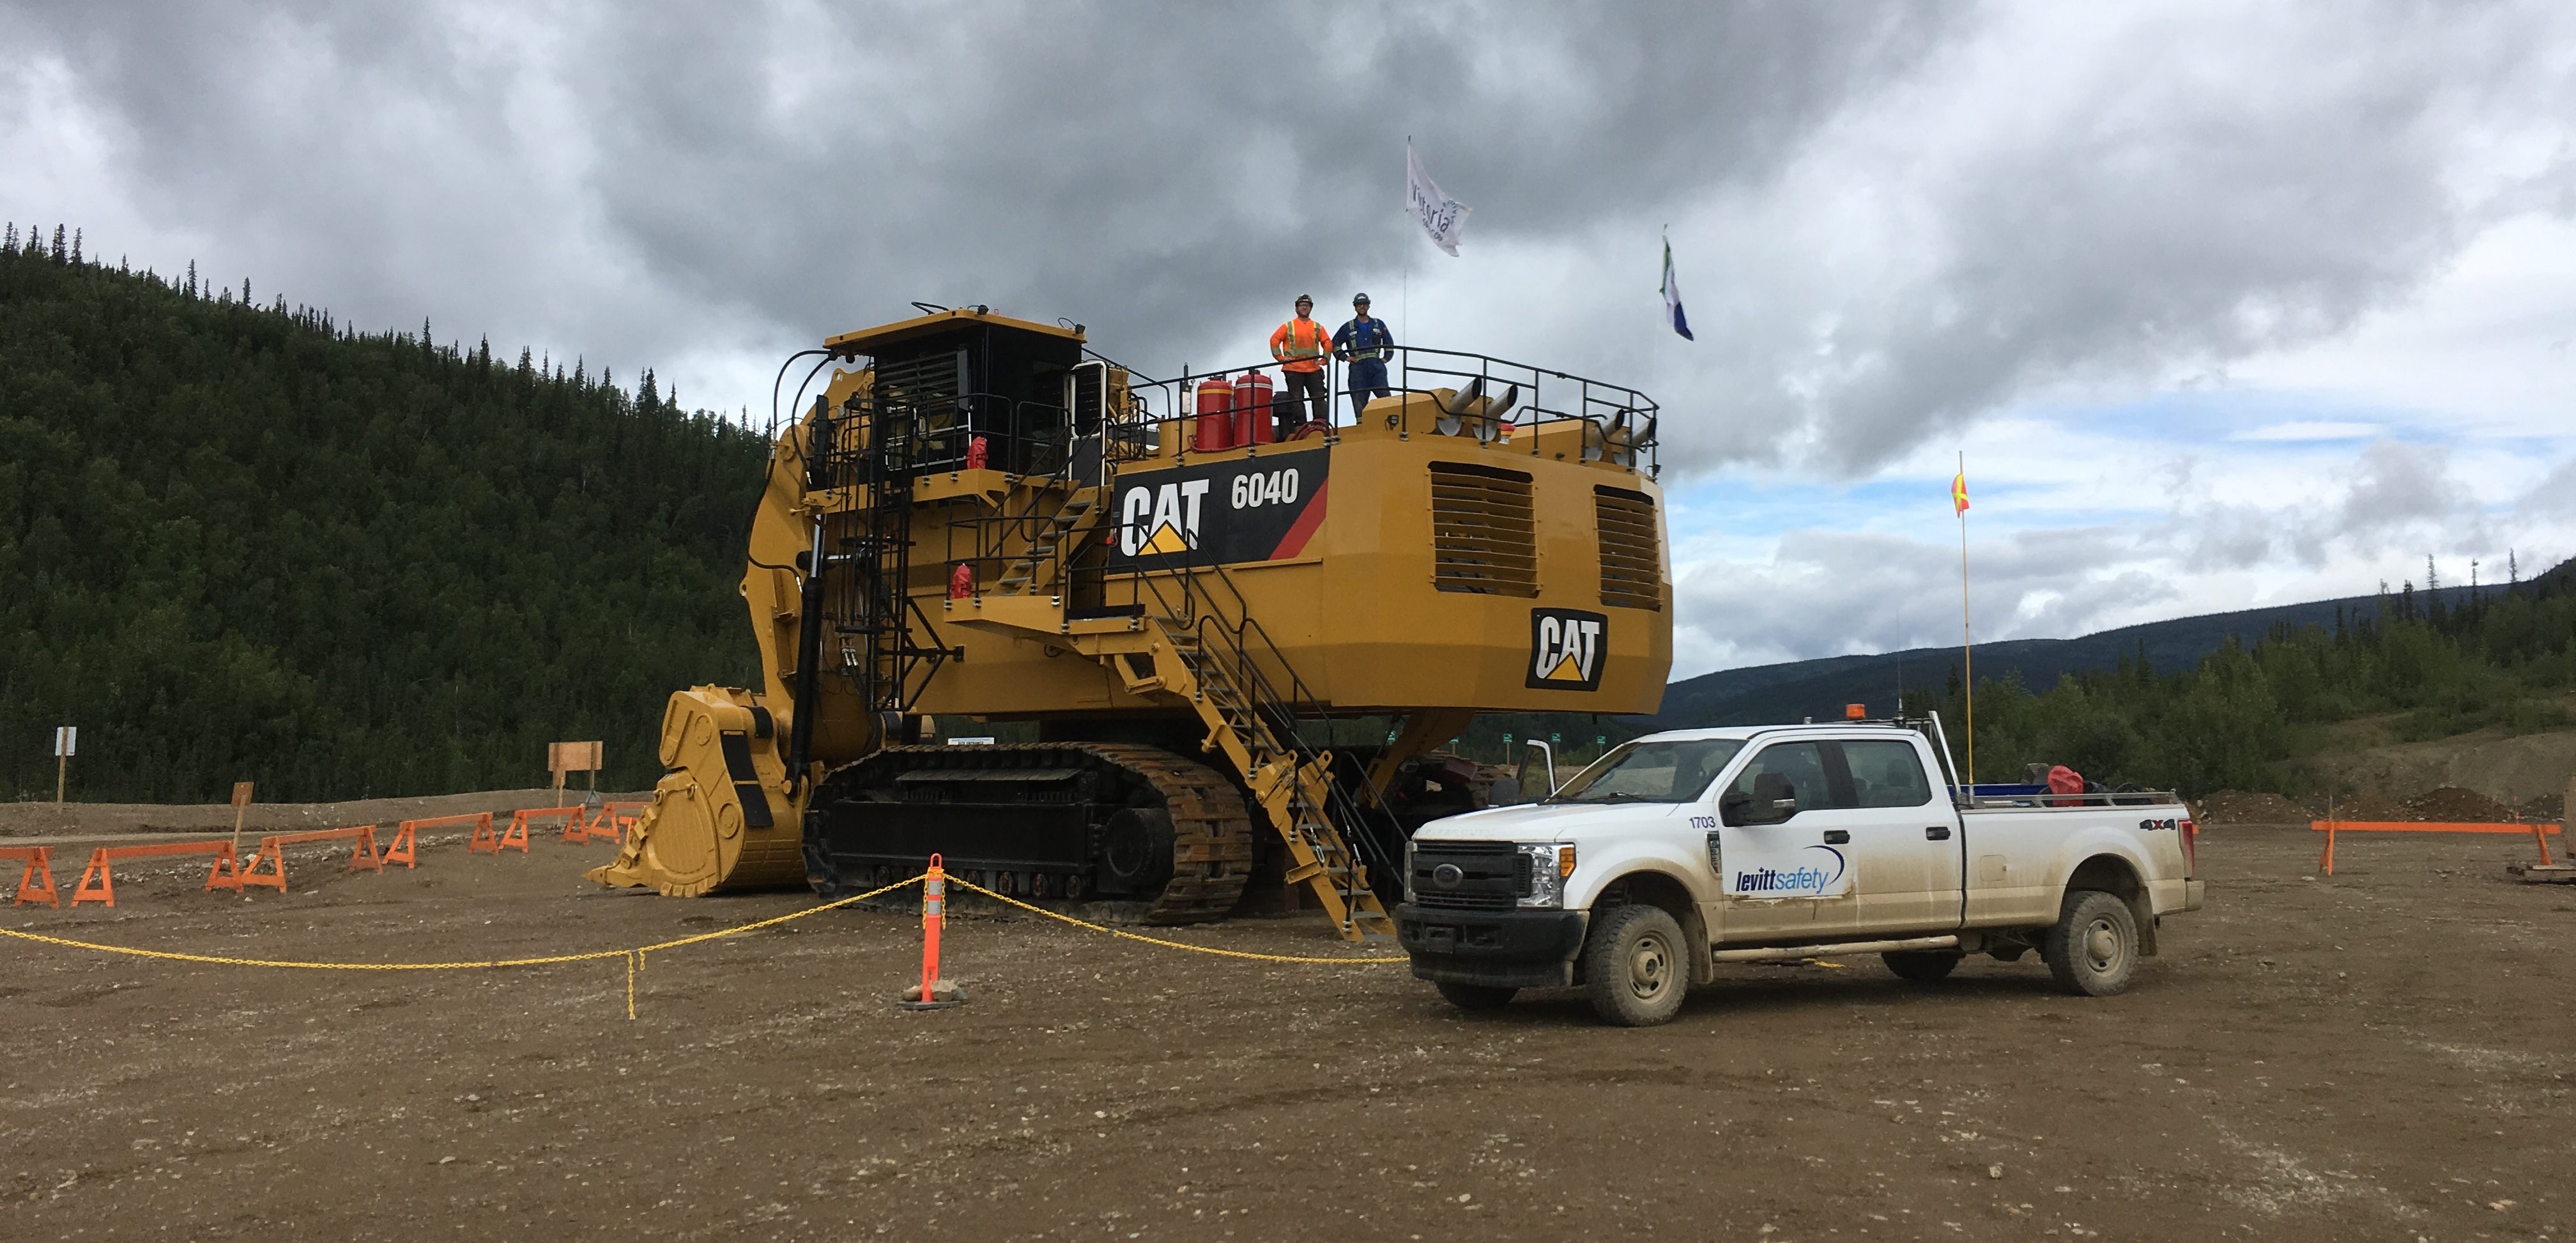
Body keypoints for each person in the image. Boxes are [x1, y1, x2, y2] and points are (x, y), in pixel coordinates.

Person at [1268, 294, 1332, 435]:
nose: (1304, 307)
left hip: (1313, 368)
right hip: (1294, 368)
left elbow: (1327, 342)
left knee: (1318, 398)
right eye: (1302, 305)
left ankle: (1321, 423)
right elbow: (1274, 340)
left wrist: (1325, 359)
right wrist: (1280, 358)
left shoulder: (1317, 327)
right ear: (1296, 308)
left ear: (1310, 308)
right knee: (1297, 399)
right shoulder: (1289, 326)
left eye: (1307, 305)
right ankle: (1301, 425)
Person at [1331, 292, 1395, 420]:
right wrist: (1345, 358)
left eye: (1364, 304)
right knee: (1359, 399)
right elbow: (1335, 344)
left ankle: (1392, 423)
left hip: (1376, 367)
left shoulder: (1378, 324)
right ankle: (1361, 426)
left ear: (1368, 306)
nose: (1362, 307)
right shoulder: (1348, 327)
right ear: (1355, 307)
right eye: (1359, 305)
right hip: (1358, 368)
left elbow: (1389, 343)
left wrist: (1386, 358)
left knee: (1385, 397)